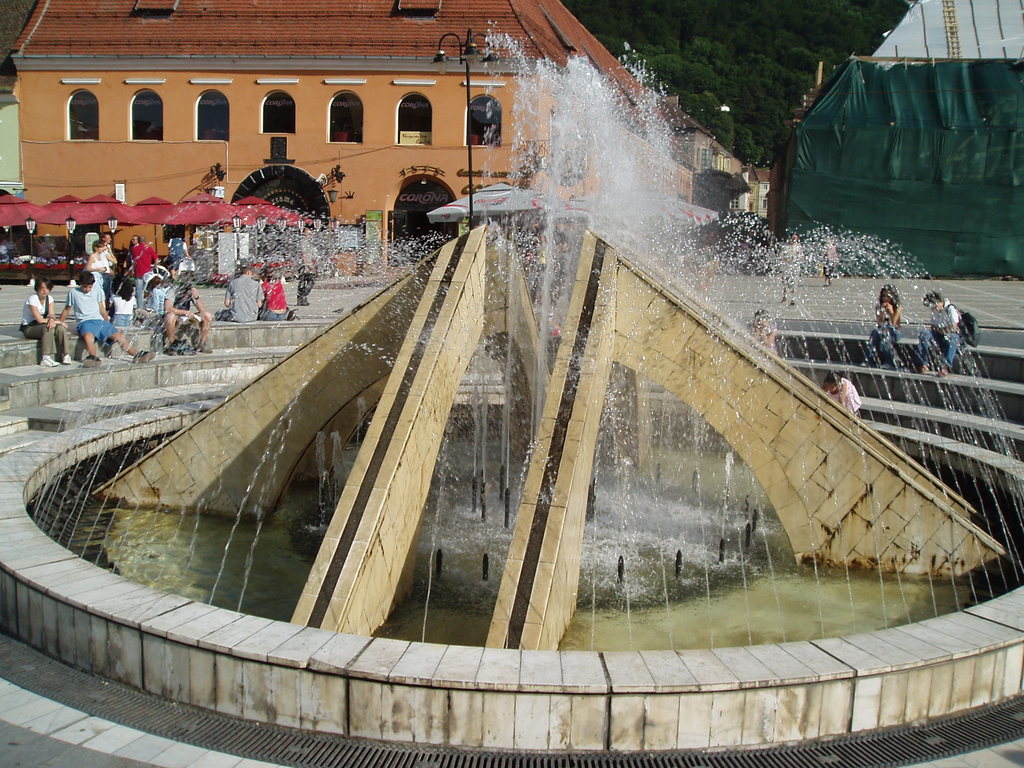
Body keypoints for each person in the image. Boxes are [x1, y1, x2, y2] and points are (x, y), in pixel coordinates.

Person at [58, 270, 154, 368]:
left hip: (99, 321)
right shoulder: (73, 293)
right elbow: (67, 309)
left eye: (90, 287)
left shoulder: (97, 290)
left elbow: (102, 309)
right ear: (80, 284)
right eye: (85, 287)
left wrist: (108, 323)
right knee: (88, 337)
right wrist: (60, 322)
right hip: (84, 322)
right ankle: (93, 357)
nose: (87, 289)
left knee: (119, 336)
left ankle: (136, 355)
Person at [20, 279, 70, 367]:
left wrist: (52, 319)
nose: (44, 291)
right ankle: (45, 357)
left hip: (42, 324)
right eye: (42, 288)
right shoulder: (32, 299)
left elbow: (51, 314)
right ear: (37, 288)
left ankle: (65, 354)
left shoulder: (49, 299)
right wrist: (59, 322)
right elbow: (39, 319)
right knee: (48, 328)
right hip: (30, 327)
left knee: (60, 328)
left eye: (47, 288)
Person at [162, 277, 213, 354]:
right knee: (170, 317)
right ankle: (172, 344)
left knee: (207, 315)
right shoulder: (172, 291)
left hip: (186, 316)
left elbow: (202, 310)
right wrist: (185, 312)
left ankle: (202, 343)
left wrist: (196, 297)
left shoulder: (191, 292)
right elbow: (168, 308)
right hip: (176, 315)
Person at [915, 290, 960, 376]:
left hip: (951, 335)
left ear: (940, 302)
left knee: (953, 338)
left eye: (935, 305)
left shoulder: (950, 309)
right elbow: (933, 326)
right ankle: (923, 363)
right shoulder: (934, 310)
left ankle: (946, 366)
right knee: (924, 334)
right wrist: (941, 330)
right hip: (940, 334)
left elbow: (954, 327)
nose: (934, 308)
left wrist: (942, 330)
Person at [864, 284, 903, 369]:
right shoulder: (879, 306)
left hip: (895, 331)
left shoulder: (898, 307)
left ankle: (889, 361)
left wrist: (891, 312)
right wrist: (881, 313)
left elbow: (894, 323)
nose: (886, 298)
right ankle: (869, 359)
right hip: (882, 329)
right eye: (884, 296)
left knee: (887, 333)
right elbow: (879, 322)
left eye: (888, 296)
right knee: (875, 333)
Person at [131, 235, 157, 309]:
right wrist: (154, 267)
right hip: (147, 273)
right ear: (145, 241)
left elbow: (133, 260)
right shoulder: (149, 248)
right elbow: (156, 259)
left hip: (138, 272)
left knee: (139, 292)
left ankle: (140, 308)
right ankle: (151, 307)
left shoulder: (134, 249)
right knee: (150, 290)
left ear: (138, 241)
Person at [778, 234, 802, 305]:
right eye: (793, 237)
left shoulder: (798, 247)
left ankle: (792, 299)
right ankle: (784, 297)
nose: (794, 239)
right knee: (785, 282)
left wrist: (799, 258)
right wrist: (785, 261)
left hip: (795, 267)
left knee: (794, 283)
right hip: (786, 267)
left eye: (796, 238)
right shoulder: (785, 246)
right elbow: (781, 256)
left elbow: (802, 256)